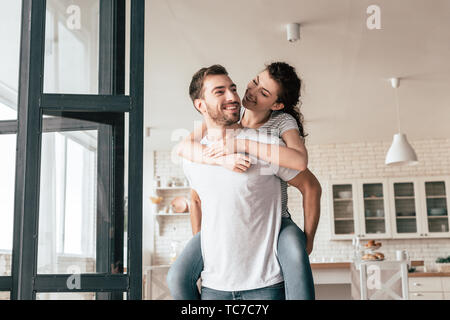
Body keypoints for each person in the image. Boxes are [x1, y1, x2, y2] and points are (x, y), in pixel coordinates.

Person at [167, 63, 321, 300]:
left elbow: (305, 174)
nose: (240, 95)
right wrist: (204, 245)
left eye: (233, 89)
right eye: (220, 91)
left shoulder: (272, 137)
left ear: (276, 104)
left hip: (272, 246)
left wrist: (308, 240)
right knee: (176, 277)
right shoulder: (195, 152)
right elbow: (196, 194)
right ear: (201, 105)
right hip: (215, 284)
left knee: (296, 254)